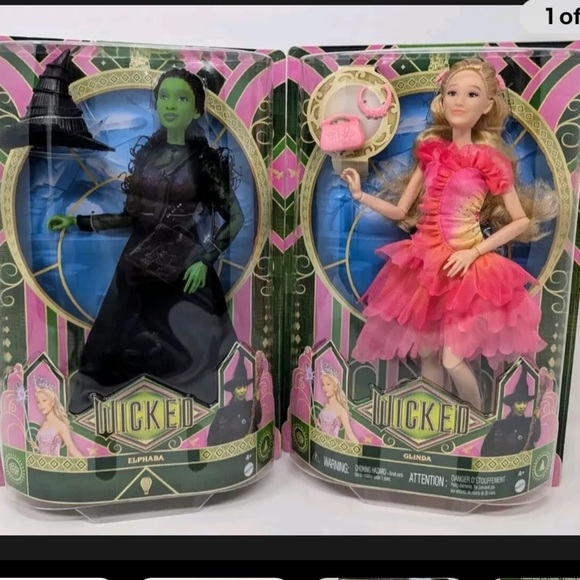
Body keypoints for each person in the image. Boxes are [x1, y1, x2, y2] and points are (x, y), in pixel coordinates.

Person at [341, 58, 558, 412]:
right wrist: (360, 195)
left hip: (467, 269)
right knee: (428, 355)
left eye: (472, 94)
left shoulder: (490, 160)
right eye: (452, 92)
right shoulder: (431, 155)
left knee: (452, 359)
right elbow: (401, 210)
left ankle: (478, 419)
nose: (459, 101)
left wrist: (475, 252)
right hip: (423, 267)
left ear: (487, 105)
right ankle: (434, 422)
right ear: (442, 99)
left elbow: (519, 221)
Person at [47, 68, 244, 415]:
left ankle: (202, 415)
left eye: (181, 98)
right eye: (164, 97)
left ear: (197, 110)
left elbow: (236, 218)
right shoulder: (149, 155)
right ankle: (95, 413)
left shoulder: (204, 161)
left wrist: (206, 259)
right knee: (111, 341)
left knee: (198, 350)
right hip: (136, 265)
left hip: (185, 268)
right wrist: (79, 221)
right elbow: (131, 216)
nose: (171, 105)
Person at [480, 366, 541, 456]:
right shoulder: (500, 425)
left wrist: (537, 419)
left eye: (524, 403)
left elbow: (536, 437)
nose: (522, 406)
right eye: (519, 403)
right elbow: (487, 450)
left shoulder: (529, 422)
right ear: (512, 404)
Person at [206, 351, 261, 446]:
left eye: (244, 387)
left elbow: (258, 420)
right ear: (233, 390)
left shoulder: (251, 405)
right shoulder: (222, 412)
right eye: (239, 388)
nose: (242, 391)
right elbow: (212, 441)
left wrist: (258, 401)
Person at [33, 377, 83, 457]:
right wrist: (37, 448)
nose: (41, 405)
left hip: (54, 462)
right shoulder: (44, 424)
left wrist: (86, 462)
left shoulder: (61, 425)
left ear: (52, 402)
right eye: (38, 402)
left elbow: (72, 449)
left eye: (44, 400)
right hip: (42, 463)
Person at [317, 361, 359, 442]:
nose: (325, 388)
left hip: (332, 444)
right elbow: (324, 427)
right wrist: (319, 425)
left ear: (335, 387)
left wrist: (359, 447)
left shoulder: (341, 410)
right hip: (322, 442)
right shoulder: (326, 405)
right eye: (323, 384)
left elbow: (349, 433)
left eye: (328, 384)